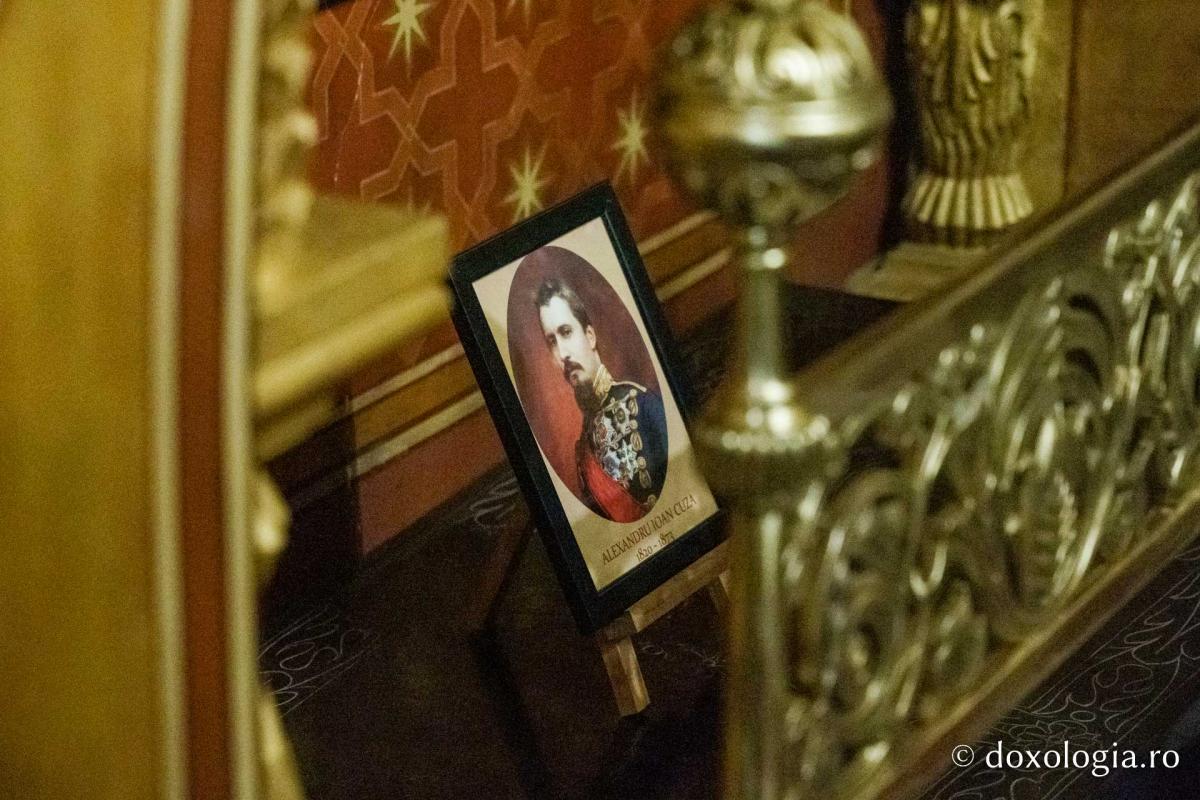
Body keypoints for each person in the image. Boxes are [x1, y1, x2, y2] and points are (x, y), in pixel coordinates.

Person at [535, 277, 667, 523]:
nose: (563, 354)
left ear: (590, 336)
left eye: (566, 332)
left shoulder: (643, 404)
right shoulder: (583, 451)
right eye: (552, 341)